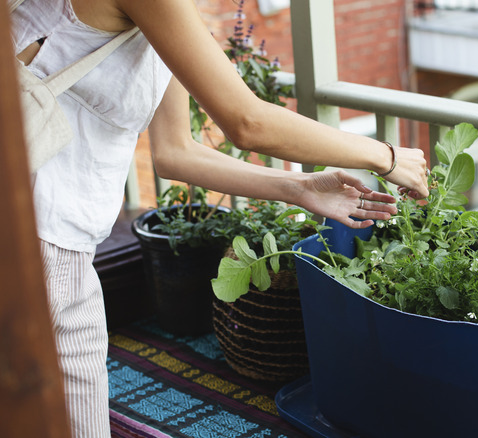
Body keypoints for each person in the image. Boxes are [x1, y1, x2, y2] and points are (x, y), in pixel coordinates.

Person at [9, 0, 429, 436]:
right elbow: (247, 121)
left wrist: (301, 188)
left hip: (65, 248)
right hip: (30, 236)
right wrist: (385, 155)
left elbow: (175, 152)